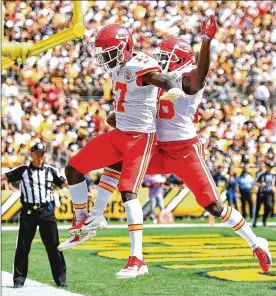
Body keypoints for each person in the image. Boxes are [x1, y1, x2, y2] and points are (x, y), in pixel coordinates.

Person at [79, 16, 272, 274]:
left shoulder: (186, 77)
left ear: (179, 59)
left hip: (184, 150)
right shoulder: (154, 77)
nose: (160, 60)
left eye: (166, 55)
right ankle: (98, 217)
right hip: (157, 147)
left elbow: (200, 76)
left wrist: (206, 41)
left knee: (214, 207)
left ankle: (256, 242)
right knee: (119, 159)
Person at [58, 24, 185, 279]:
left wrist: (171, 87)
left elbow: (162, 79)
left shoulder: (140, 65)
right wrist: (119, 113)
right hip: (120, 133)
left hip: (140, 138)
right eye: (103, 54)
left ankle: (137, 258)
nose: (105, 59)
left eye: (109, 53)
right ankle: (84, 219)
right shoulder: (119, 66)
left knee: (128, 191)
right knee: (73, 168)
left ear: (125, 47)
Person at [1, 143, 67, 288]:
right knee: (23, 246)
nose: (40, 156)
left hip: (46, 212)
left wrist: (82, 191)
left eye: (42, 153)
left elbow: (64, 184)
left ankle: (61, 279)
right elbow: (4, 176)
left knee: (54, 246)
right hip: (28, 212)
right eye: (37, 153)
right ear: (31, 154)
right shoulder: (23, 170)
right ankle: (18, 280)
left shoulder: (50, 170)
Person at [253, 161, 275, 228]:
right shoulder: (261, 174)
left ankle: (264, 220)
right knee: (258, 208)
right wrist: (260, 185)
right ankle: (254, 222)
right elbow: (255, 182)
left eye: (271, 167)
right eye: (269, 167)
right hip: (261, 193)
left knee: (269, 207)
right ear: (267, 167)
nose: (270, 168)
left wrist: (273, 187)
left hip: (269, 193)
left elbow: (274, 183)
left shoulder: (273, 174)